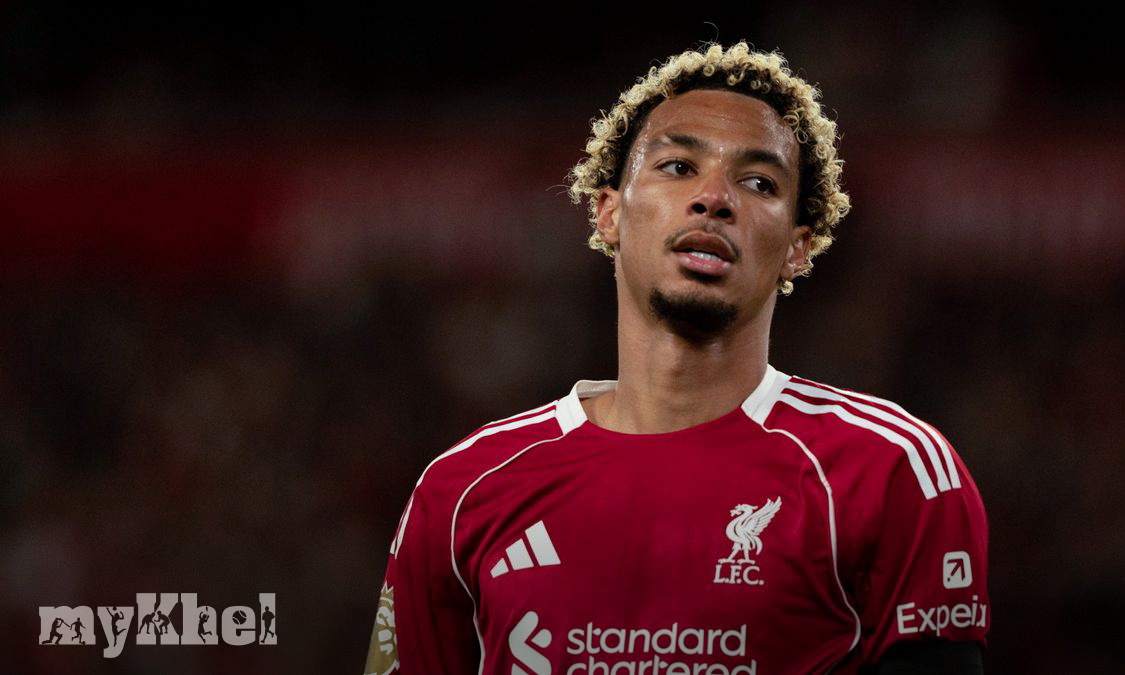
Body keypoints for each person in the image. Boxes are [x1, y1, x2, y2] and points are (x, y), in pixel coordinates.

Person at [364, 41, 989, 674]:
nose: (714, 198)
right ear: (608, 213)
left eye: (759, 182)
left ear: (798, 248)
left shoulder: (892, 473)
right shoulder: (462, 491)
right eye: (678, 166)